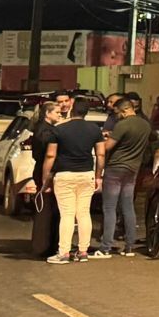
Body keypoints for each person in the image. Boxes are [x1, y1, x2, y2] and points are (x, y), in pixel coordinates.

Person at [41, 104, 107, 263]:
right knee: (84, 213)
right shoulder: (94, 130)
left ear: (71, 111)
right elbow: (101, 154)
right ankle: (83, 251)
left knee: (67, 214)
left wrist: (46, 179)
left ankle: (63, 252)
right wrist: (98, 176)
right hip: (86, 174)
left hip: (65, 175)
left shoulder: (59, 129)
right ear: (86, 112)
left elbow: (50, 155)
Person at [95, 97, 153, 257]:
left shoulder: (123, 124)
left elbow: (108, 147)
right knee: (128, 206)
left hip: (115, 168)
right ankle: (129, 247)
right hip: (133, 169)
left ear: (126, 109)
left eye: (117, 112)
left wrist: (104, 138)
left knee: (109, 208)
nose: (116, 116)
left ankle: (106, 247)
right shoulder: (145, 125)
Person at [28, 95, 71, 257]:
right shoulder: (45, 131)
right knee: (45, 210)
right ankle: (43, 245)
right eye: (57, 112)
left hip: (45, 171)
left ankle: (47, 244)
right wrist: (47, 177)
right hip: (45, 172)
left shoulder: (46, 128)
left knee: (50, 209)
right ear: (47, 113)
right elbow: (47, 154)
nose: (60, 114)